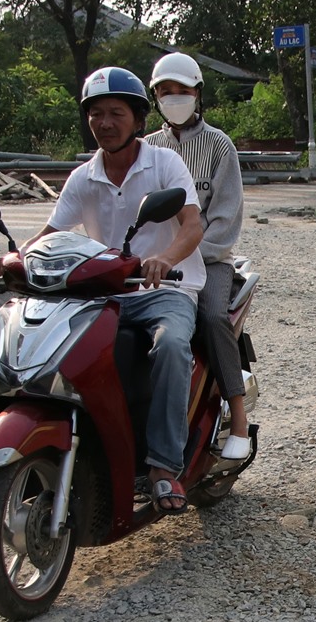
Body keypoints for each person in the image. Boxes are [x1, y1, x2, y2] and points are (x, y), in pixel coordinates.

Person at [18, 67, 206, 513]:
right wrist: (15, 257)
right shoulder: (84, 176)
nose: (105, 122)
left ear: (138, 120)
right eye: (96, 113)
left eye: (116, 113)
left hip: (164, 290)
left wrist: (166, 259)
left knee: (173, 345)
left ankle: (163, 466)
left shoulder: (164, 163)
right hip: (104, 294)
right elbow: (49, 232)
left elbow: (192, 225)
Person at [143, 52, 252, 461]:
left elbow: (225, 221)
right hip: (155, 264)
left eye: (182, 91)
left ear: (197, 94)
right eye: (165, 92)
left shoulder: (220, 146)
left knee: (209, 317)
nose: (174, 98)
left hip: (208, 260)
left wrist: (182, 256)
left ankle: (237, 416)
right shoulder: (146, 148)